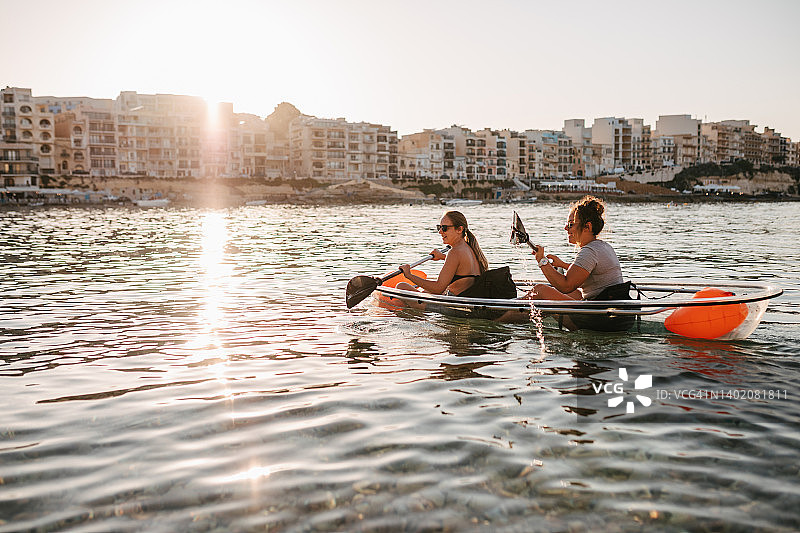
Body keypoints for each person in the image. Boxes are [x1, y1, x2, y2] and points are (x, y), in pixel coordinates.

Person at [527, 195, 634, 331]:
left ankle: (498, 316)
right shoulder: (602, 246)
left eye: (571, 224)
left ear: (587, 227)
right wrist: (563, 265)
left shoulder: (589, 251)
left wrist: (542, 261)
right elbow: (589, 273)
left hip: (602, 320)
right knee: (573, 294)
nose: (566, 228)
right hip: (616, 317)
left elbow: (566, 285)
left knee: (540, 291)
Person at [397, 211, 488, 296]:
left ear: (459, 229)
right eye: (439, 227)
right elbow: (462, 266)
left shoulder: (455, 252)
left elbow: (438, 288)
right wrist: (443, 257)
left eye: (444, 228)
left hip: (452, 304)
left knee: (401, 286)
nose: (440, 232)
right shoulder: (470, 249)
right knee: (426, 290)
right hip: (463, 296)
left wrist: (409, 275)